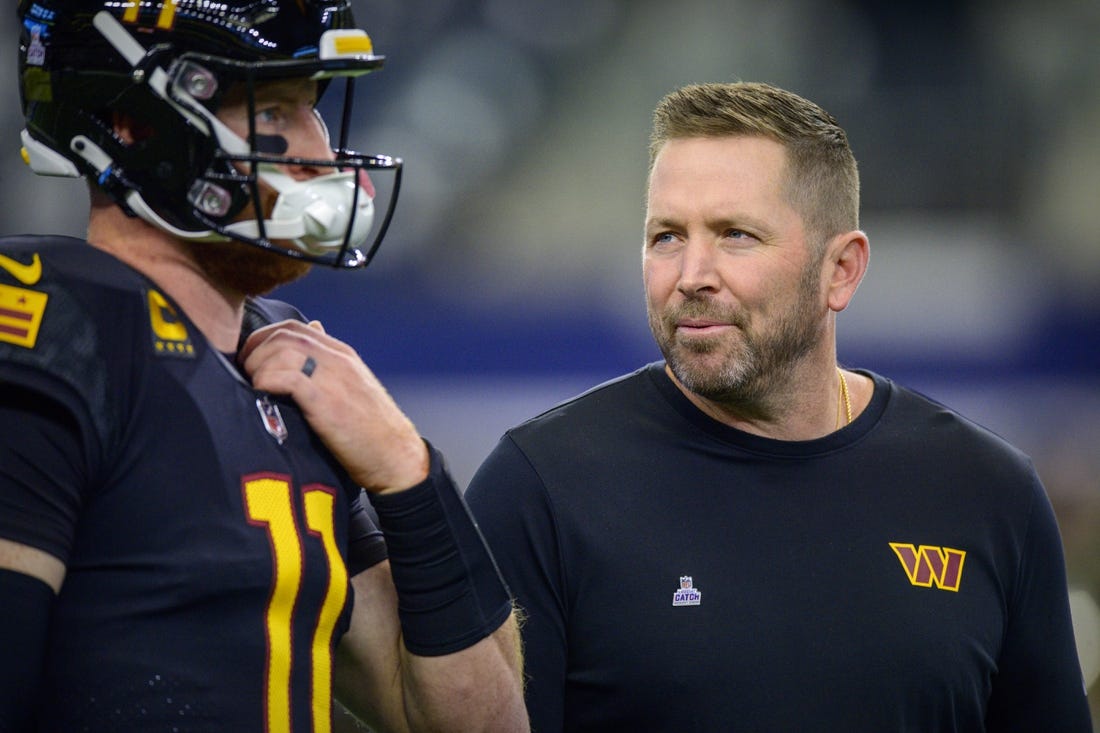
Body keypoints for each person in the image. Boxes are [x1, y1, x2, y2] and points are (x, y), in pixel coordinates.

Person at [464, 81, 1093, 732]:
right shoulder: (539, 487)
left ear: (841, 269)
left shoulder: (989, 493)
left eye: (735, 234)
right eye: (667, 236)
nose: (691, 274)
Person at [0, 2, 527, 731]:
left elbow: (481, 723)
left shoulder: (286, 365)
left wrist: (411, 472)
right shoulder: (48, 329)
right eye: (275, 109)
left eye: (312, 107)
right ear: (133, 127)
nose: (315, 148)